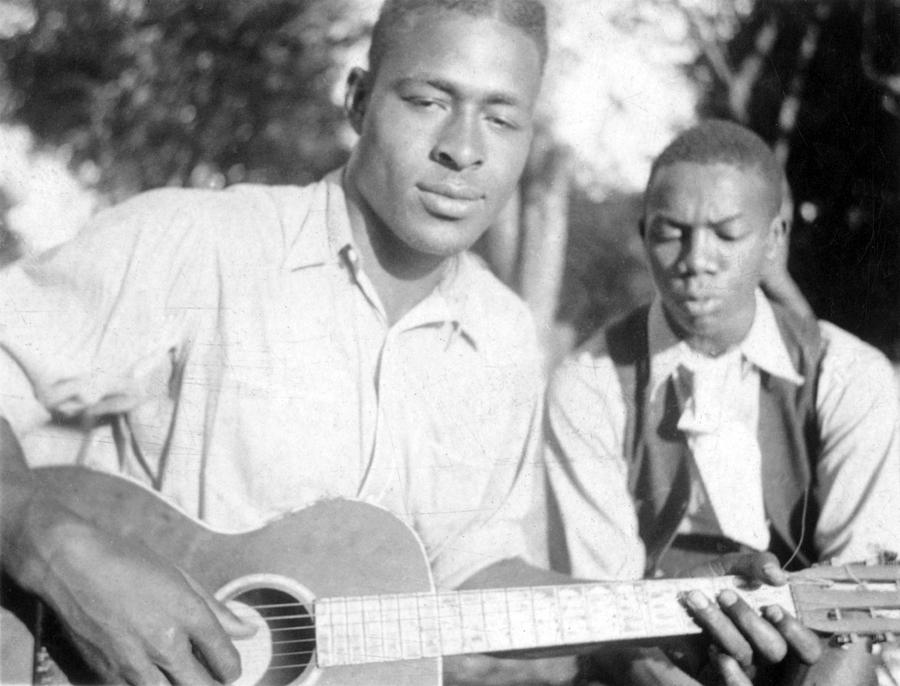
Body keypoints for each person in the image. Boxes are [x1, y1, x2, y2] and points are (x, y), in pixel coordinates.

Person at [1, 7, 817, 684]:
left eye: (502, 117)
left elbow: (468, 576)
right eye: (429, 100)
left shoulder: (501, 340)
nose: (463, 149)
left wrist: (663, 615)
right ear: (359, 101)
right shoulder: (198, 243)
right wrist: (49, 541)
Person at [545, 119, 900, 685]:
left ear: (774, 240)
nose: (696, 260)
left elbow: (863, 603)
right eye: (671, 232)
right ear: (644, 234)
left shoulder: (851, 377)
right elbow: (606, 615)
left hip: (822, 661)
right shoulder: (589, 384)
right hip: (652, 662)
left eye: (727, 234)